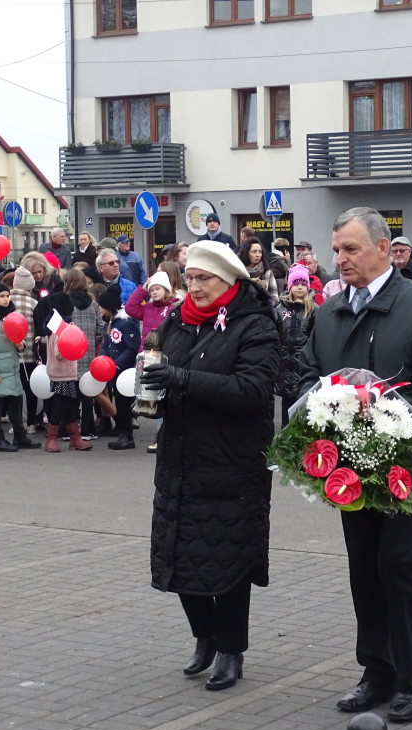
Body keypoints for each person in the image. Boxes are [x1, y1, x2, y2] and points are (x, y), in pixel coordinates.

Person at [298, 207, 412, 724]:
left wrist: (386, 410)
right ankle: (377, 671)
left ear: (384, 250)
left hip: (408, 467)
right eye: (336, 249)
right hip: (351, 469)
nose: (340, 259)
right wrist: (326, 404)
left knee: (397, 565)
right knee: (364, 569)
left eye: (351, 249)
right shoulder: (328, 311)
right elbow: (304, 375)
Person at [142, 239, 279, 693]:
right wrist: (151, 390)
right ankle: (204, 636)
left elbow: (252, 391)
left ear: (229, 281)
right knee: (181, 554)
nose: (194, 287)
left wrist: (182, 379)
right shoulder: (178, 322)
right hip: (181, 459)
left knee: (230, 562)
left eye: (205, 279)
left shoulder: (254, 324)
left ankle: (230, 649)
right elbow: (165, 374)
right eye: (192, 278)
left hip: (232, 463)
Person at [0, 280, 39, 452]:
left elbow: (14, 341)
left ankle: (19, 436)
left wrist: (20, 346)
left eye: (7, 296)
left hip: (12, 369)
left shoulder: (9, 317)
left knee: (16, 401)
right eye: (1, 296)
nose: (6, 299)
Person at [41, 292, 92, 453]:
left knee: (68, 405)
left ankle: (75, 438)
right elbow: (60, 352)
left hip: (57, 372)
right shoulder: (64, 328)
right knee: (62, 405)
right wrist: (74, 349)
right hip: (64, 373)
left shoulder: (53, 325)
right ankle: (51, 439)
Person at [96, 287, 141, 450]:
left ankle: (127, 436)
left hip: (124, 370)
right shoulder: (110, 322)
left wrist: (117, 364)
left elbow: (133, 347)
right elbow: (107, 344)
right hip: (114, 370)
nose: (99, 309)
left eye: (101, 306)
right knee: (119, 402)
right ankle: (122, 432)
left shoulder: (126, 323)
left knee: (124, 404)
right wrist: (104, 361)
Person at [274, 264, 316, 427]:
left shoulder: (313, 310)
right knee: (285, 412)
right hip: (283, 369)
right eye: (296, 283)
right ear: (290, 286)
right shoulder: (279, 310)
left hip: (302, 368)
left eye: (303, 284)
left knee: (302, 411)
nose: (300, 287)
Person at [63, 268, 103, 440]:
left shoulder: (64, 302)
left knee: (68, 394)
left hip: (68, 352)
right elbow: (100, 327)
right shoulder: (93, 303)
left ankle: (68, 431)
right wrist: (94, 341)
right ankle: (88, 430)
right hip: (87, 352)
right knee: (87, 393)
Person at [9, 266, 40, 434]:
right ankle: (31, 422)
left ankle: (17, 423)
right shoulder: (34, 303)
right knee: (30, 390)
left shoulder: (6, 302)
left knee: (14, 390)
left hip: (10, 353)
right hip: (29, 354)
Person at [124, 271, 181, 345]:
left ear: (166, 289)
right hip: (145, 351)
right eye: (151, 290)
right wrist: (143, 290)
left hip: (162, 351)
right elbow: (130, 308)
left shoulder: (173, 309)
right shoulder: (148, 307)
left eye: (157, 289)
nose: (154, 292)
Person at [238, 238, 279, 305]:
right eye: (254, 252)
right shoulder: (239, 272)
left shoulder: (267, 272)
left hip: (263, 311)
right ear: (246, 253)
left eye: (260, 252)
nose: (258, 255)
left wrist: (263, 306)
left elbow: (275, 297)